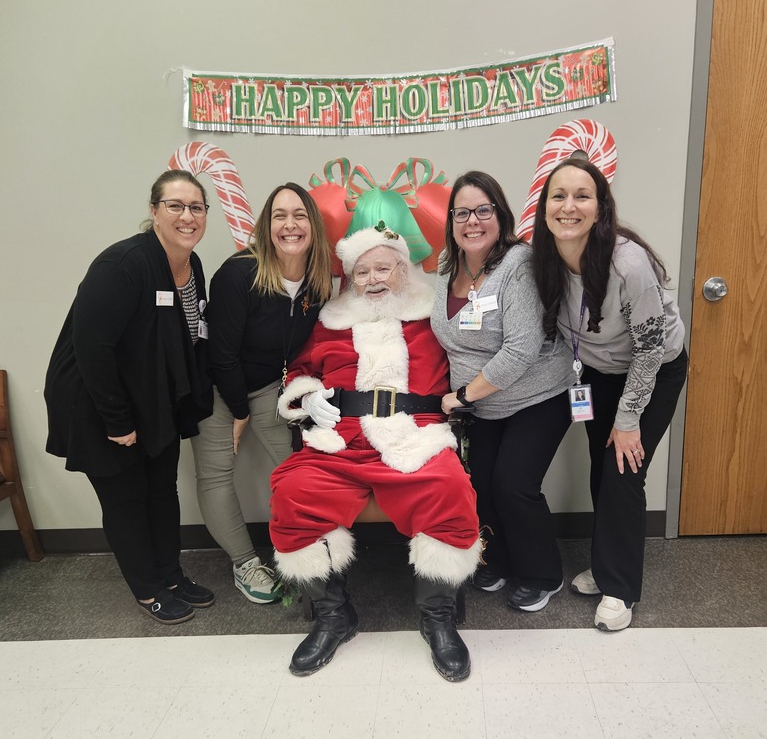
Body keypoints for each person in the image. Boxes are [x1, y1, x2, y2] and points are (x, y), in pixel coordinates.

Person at [270, 225, 482, 681]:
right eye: (362, 271)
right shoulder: (330, 321)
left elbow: (472, 357)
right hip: (340, 440)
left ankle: (438, 618)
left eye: (383, 268)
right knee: (293, 491)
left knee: (449, 487)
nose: (373, 279)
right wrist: (307, 397)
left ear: (404, 270)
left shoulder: (433, 316)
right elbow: (299, 371)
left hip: (415, 435)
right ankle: (333, 617)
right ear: (351, 278)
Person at [45, 169, 214, 625]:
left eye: (196, 207)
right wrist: (117, 420)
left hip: (154, 399)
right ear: (154, 211)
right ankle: (147, 588)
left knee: (162, 490)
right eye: (175, 206)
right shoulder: (122, 264)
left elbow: (187, 334)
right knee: (126, 498)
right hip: (98, 402)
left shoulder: (191, 265)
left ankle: (171, 576)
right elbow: (92, 348)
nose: (187, 216)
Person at [532, 156, 687, 631]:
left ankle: (620, 588)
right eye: (558, 196)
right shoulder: (545, 256)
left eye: (582, 196)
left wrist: (627, 419)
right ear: (544, 206)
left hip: (653, 370)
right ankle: (605, 566)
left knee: (623, 469)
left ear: (600, 208)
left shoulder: (628, 263)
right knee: (602, 468)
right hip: (597, 372)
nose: (568, 206)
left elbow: (650, 349)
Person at [432, 171, 573, 613]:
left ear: (500, 215)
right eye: (462, 213)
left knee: (513, 484)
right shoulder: (447, 264)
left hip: (537, 397)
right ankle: (499, 561)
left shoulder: (519, 265)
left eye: (483, 210)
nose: (472, 221)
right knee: (478, 484)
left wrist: (463, 396)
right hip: (485, 405)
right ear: (451, 221)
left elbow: (521, 349)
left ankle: (543, 574)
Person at [191, 184, 332, 604]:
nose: (290, 225)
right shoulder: (238, 274)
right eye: (279, 216)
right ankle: (245, 563)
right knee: (216, 476)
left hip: (272, 386)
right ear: (265, 226)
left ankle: (303, 551)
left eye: (299, 215)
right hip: (218, 387)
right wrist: (239, 411)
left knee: (300, 468)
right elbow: (222, 354)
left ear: (313, 225)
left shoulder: (319, 281)